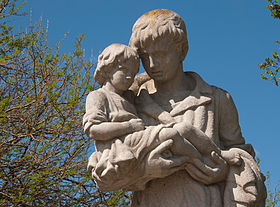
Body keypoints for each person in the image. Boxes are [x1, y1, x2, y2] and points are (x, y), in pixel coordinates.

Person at [126, 9, 266, 207]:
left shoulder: (217, 100)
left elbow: (240, 158)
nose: (152, 64)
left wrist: (220, 167)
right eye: (145, 56)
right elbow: (109, 168)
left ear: (182, 51)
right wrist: (147, 169)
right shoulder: (134, 103)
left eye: (161, 54)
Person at [84, 43, 221, 191]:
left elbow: (148, 102)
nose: (130, 77)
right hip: (122, 144)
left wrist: (170, 119)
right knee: (171, 134)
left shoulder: (129, 97)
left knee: (184, 128)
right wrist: (128, 126)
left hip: (137, 137)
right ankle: (200, 163)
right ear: (107, 69)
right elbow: (93, 129)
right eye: (124, 71)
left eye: (133, 72)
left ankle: (217, 154)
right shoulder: (98, 96)